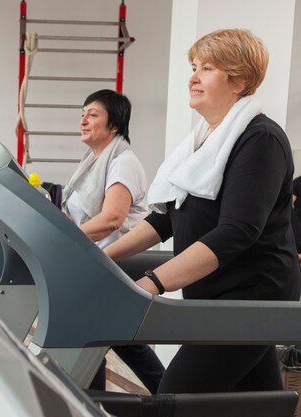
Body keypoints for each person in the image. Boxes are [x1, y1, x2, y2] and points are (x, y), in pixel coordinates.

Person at [104, 28, 301, 394]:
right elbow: (167, 218)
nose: (193, 77)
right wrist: (100, 256)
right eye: (193, 66)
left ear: (239, 80)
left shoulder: (260, 140)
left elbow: (235, 232)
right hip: (217, 295)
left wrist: (151, 284)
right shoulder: (204, 140)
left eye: (207, 68)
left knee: (174, 397)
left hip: (250, 298)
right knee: (257, 403)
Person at [62, 89, 165, 393]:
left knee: (91, 338)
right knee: (117, 341)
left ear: (114, 125)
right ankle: (171, 398)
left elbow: (111, 219)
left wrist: (66, 238)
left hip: (117, 264)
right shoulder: (94, 162)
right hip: (98, 265)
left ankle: (92, 403)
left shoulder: (122, 162)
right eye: (82, 114)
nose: (83, 120)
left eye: (92, 114)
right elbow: (84, 219)